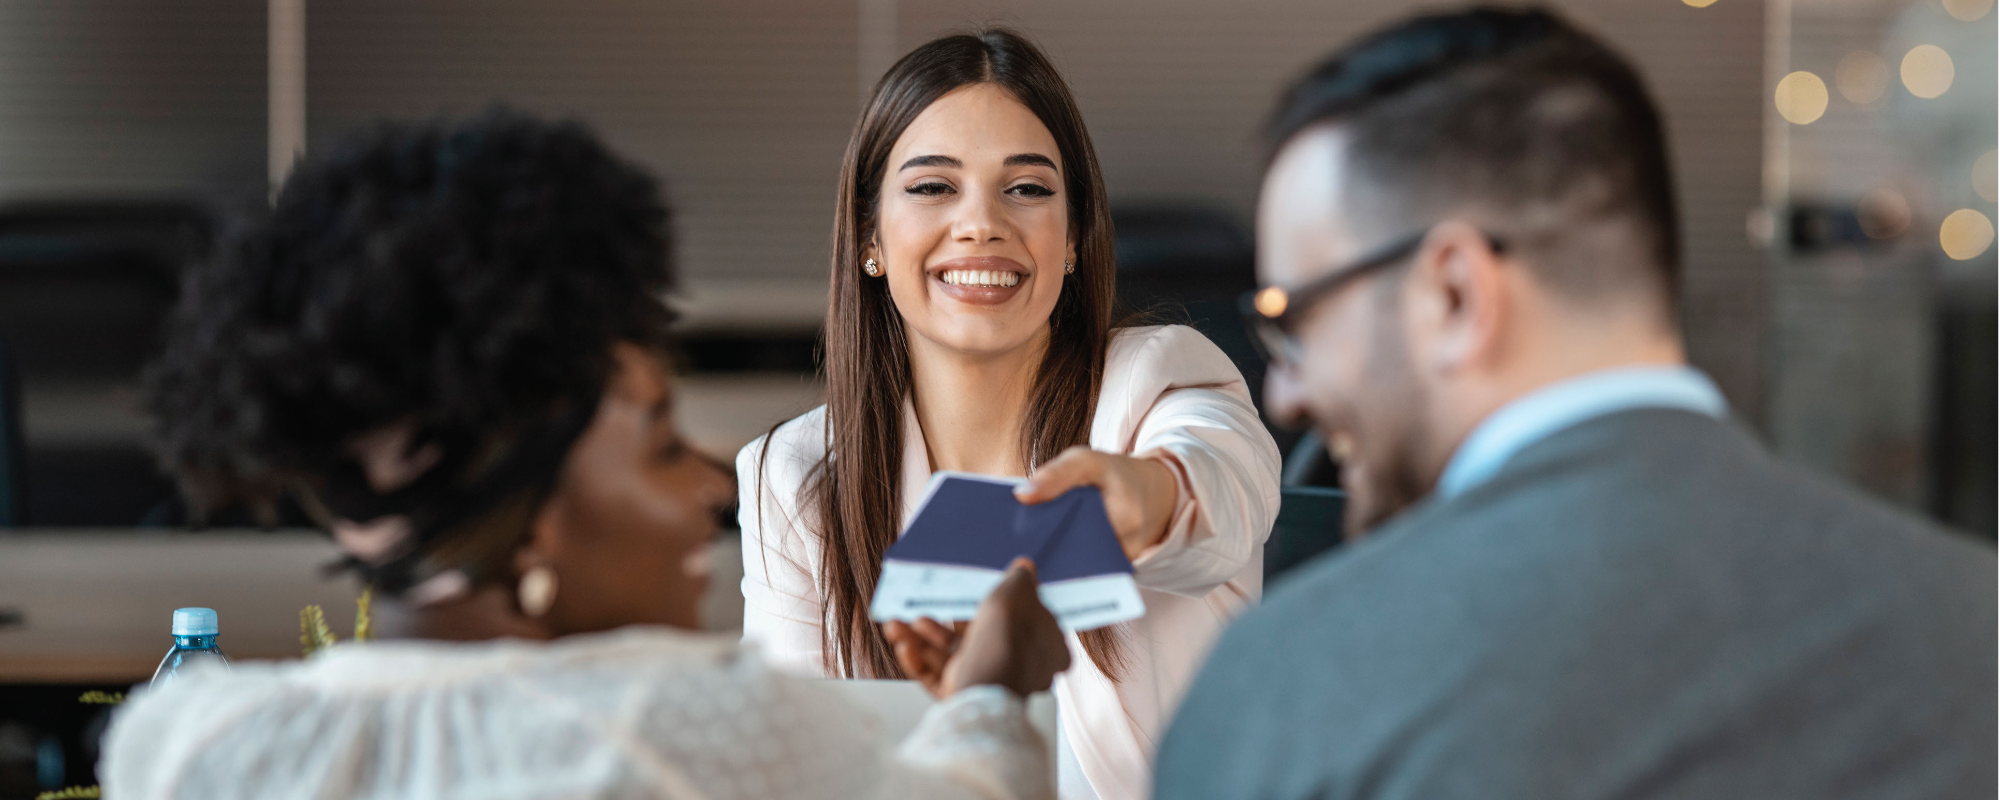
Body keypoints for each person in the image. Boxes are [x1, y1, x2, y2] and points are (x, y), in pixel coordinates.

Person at [103, 108, 1072, 800]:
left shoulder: (183, 740)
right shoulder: (693, 730)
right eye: (657, 445)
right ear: (532, 528)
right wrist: (991, 686)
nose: (704, 485)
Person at [1157, 7, 1996, 799]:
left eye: (1292, 318)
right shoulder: (1973, 623)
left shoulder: (1295, 681)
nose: (1285, 391)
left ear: (1453, 294)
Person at [737, 29, 1281, 800]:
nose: (982, 222)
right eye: (933, 187)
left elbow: (1224, 494)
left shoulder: (1160, 380)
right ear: (870, 239)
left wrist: (1141, 498)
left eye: (1027, 188)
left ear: (1072, 239)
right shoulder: (791, 475)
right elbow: (794, 771)